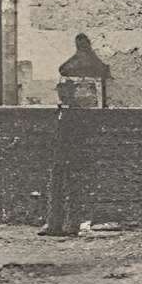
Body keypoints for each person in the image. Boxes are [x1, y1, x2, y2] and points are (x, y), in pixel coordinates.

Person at [40, 78, 84, 236]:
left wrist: (71, 153)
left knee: (72, 190)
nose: (61, 92)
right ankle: (53, 224)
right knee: (54, 189)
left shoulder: (76, 110)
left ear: (72, 91)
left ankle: (72, 225)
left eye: (65, 89)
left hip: (72, 155)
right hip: (58, 155)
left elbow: (79, 135)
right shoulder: (59, 110)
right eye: (60, 89)